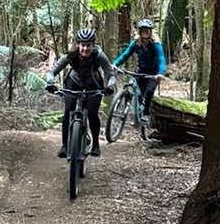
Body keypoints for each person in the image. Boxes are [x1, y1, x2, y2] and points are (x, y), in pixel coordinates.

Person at [45, 28, 116, 158]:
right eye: (82, 45)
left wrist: (110, 86)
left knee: (92, 114)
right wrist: (50, 82)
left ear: (93, 45)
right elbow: (52, 71)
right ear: (78, 45)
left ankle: (95, 144)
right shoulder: (70, 55)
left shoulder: (99, 55)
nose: (85, 49)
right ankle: (65, 146)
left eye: (88, 45)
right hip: (73, 83)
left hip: (93, 85)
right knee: (68, 111)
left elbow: (110, 74)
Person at [113, 19, 165, 122]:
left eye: (147, 30)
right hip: (140, 72)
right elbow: (125, 55)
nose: (145, 32)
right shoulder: (135, 43)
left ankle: (146, 114)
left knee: (149, 92)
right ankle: (135, 115)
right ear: (139, 32)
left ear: (150, 32)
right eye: (142, 30)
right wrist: (115, 64)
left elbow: (161, 59)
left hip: (153, 74)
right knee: (137, 92)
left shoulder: (155, 44)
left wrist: (160, 73)